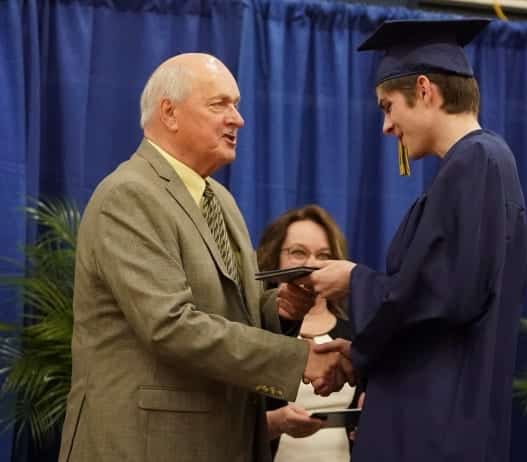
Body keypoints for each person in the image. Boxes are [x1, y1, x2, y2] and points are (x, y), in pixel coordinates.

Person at [57, 53, 352, 462]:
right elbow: (170, 325)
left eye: (237, 105)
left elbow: (234, 312)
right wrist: (298, 359)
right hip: (144, 447)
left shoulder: (221, 200)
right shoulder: (128, 195)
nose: (238, 119)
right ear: (169, 113)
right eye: (219, 104)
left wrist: (281, 310)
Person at [307, 18, 527, 462]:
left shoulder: (476, 162)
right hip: (443, 416)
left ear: (425, 90)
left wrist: (354, 281)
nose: (387, 126)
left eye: (388, 107)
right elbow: (437, 306)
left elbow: (444, 295)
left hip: (435, 429)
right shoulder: (481, 163)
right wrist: (362, 353)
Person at [256, 205, 360, 462]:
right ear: (274, 260)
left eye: (324, 255)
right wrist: (275, 423)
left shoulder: (355, 335)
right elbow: (226, 426)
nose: (312, 265)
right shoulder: (254, 334)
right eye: (298, 253)